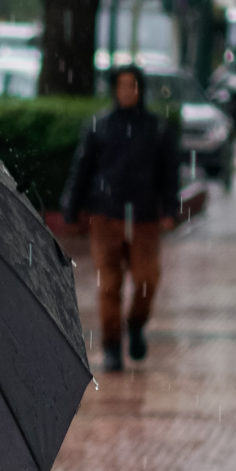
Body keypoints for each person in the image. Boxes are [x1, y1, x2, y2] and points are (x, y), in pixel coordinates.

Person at [59, 64, 181, 372]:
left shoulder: (157, 128)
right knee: (109, 285)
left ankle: (136, 324)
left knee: (146, 280)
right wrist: (71, 207)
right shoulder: (100, 126)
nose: (127, 91)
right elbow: (82, 168)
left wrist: (170, 208)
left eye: (133, 86)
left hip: (144, 219)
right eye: (122, 86)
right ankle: (112, 346)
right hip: (106, 217)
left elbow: (169, 173)